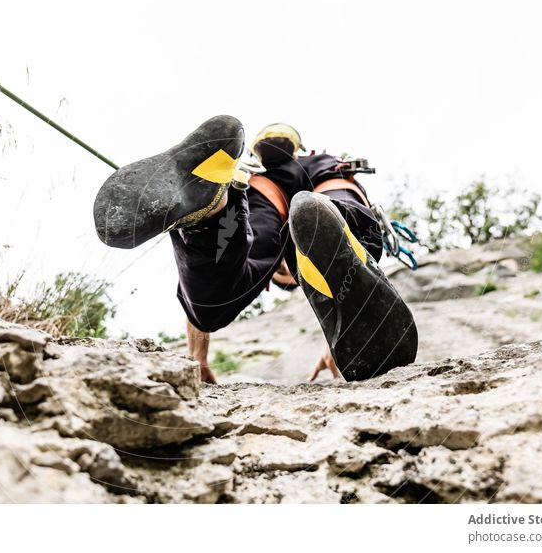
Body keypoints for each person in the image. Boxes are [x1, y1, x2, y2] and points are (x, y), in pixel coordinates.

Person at [94, 116, 417, 383]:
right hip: (328, 172)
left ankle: (212, 212)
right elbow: (351, 283)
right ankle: (328, 217)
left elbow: (199, 315)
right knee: (340, 221)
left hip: (264, 181)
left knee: (219, 289)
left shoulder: (271, 244)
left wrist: (197, 355)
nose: (288, 267)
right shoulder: (303, 235)